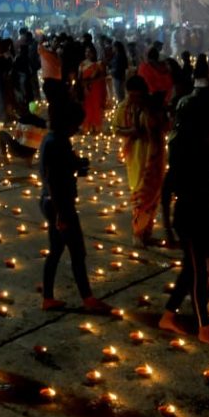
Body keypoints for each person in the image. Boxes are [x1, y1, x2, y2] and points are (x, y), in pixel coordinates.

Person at [158, 63, 209, 345]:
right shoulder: (184, 150)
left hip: (204, 210)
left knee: (192, 268)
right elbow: (167, 188)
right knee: (197, 269)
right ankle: (204, 326)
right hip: (188, 213)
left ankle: (168, 315)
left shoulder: (204, 146)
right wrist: (168, 228)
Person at [39, 99, 110, 314]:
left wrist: (78, 164)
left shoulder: (52, 139)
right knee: (77, 252)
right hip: (60, 204)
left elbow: (62, 166)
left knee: (56, 250)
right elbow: (53, 178)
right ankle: (88, 299)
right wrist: (61, 214)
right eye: (75, 124)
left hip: (50, 202)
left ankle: (48, 298)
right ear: (65, 123)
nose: (77, 129)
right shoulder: (57, 142)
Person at [115, 75, 167, 246]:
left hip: (155, 157)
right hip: (137, 158)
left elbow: (165, 126)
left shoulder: (152, 107)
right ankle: (138, 232)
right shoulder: (124, 108)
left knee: (154, 195)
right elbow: (117, 129)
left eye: (138, 95)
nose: (134, 99)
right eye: (131, 95)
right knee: (141, 194)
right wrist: (132, 131)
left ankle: (147, 231)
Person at [79, 45, 107, 134]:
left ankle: (96, 126)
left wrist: (91, 81)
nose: (88, 54)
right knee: (87, 107)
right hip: (86, 90)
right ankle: (88, 126)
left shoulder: (98, 65)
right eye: (86, 52)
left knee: (96, 107)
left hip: (96, 89)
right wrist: (84, 85)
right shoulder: (82, 64)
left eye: (90, 52)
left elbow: (102, 77)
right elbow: (79, 77)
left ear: (94, 53)